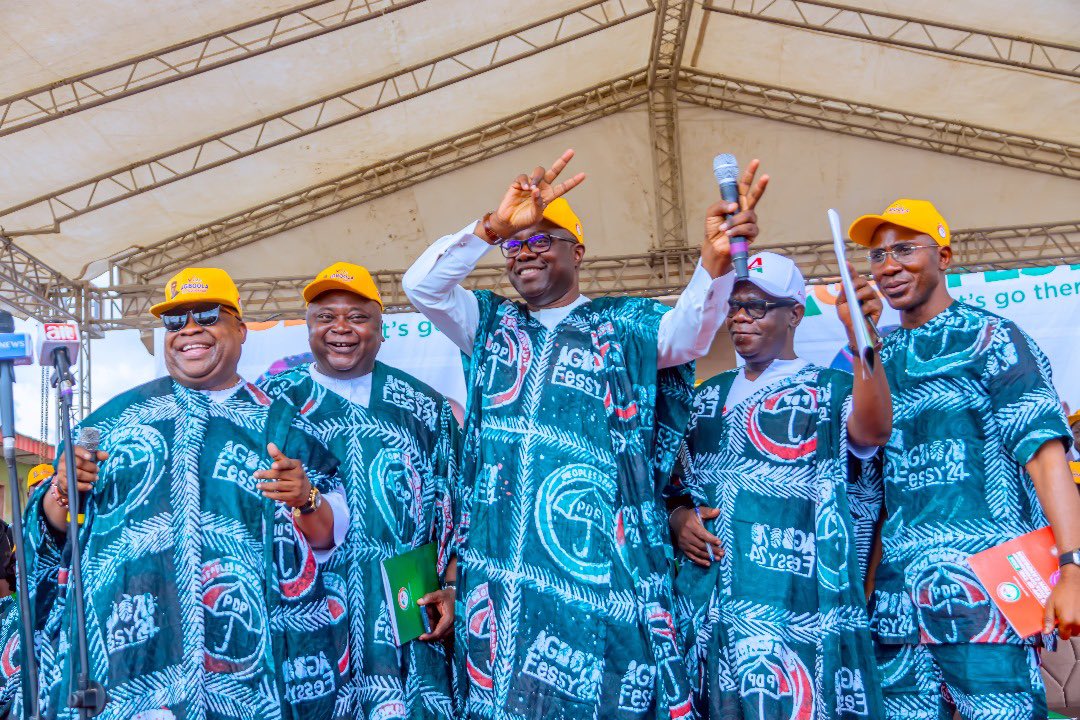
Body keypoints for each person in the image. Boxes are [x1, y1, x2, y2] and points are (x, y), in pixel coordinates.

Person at [402, 148, 765, 719]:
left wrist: (712, 267)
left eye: (542, 241)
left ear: (579, 252)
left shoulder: (623, 322)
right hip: (504, 569)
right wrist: (492, 227)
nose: (525, 254)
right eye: (515, 247)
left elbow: (689, 336)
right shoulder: (490, 323)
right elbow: (421, 286)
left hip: (600, 566)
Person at [0, 267, 350, 720]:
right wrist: (61, 493)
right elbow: (50, 535)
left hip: (249, 677)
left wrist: (307, 500)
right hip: (129, 672)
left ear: (240, 330)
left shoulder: (284, 426)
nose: (189, 328)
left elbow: (334, 540)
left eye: (207, 315)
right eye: (174, 320)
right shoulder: (112, 421)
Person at [850, 199, 1080, 719]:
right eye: (877, 256)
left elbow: (1045, 458)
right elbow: (871, 495)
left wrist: (1072, 568)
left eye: (904, 249)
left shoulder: (993, 339)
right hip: (897, 611)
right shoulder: (875, 356)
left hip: (987, 599)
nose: (888, 266)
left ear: (944, 256)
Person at [668, 251, 891, 718]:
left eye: (757, 306)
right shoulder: (704, 395)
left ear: (794, 314)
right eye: (734, 306)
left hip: (792, 605)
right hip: (705, 607)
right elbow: (671, 487)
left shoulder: (831, 388)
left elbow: (872, 431)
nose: (740, 318)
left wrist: (861, 342)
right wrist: (678, 518)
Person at [260, 262, 458, 719]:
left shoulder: (423, 407)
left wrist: (452, 588)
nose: (340, 328)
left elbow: (459, 509)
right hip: (306, 615)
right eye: (325, 317)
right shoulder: (273, 403)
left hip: (404, 619)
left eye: (357, 316)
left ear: (381, 328)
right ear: (308, 329)